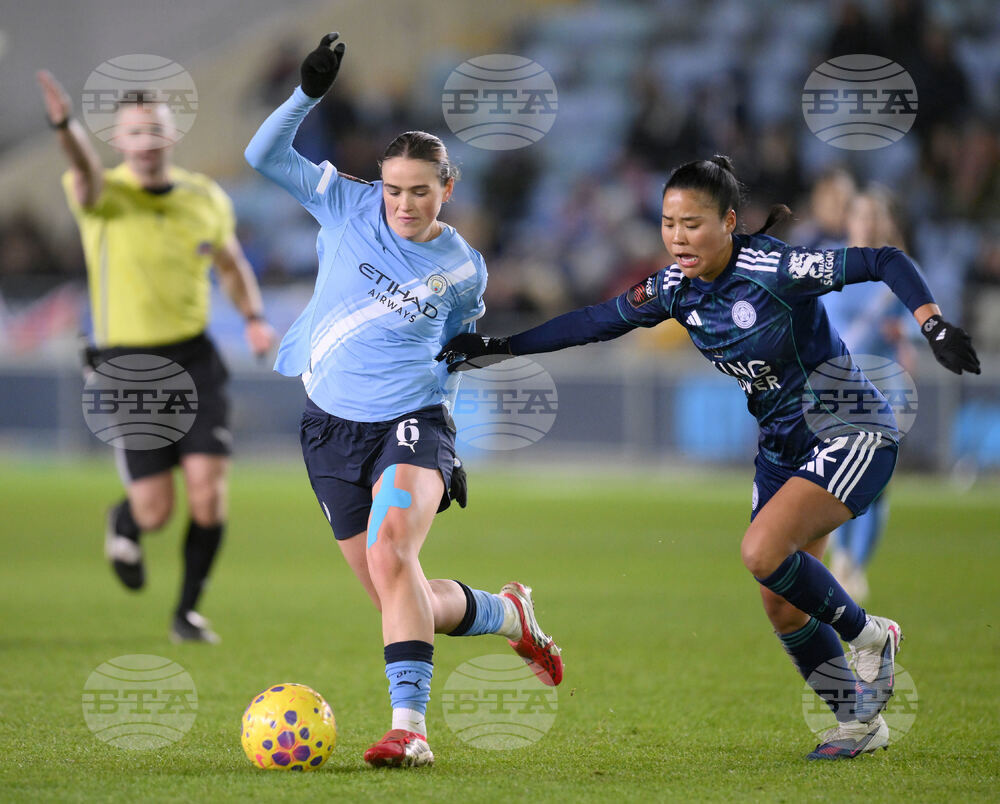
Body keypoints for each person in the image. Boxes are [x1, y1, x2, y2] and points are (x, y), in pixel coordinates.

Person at [439, 156, 980, 760]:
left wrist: (933, 325)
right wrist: (496, 347)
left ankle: (871, 636)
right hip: (783, 449)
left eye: (692, 224)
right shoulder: (674, 288)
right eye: (669, 223)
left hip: (850, 429)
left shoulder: (775, 267)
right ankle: (858, 720)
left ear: (728, 222)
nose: (677, 237)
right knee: (779, 601)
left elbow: (882, 259)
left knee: (761, 552)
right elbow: (595, 321)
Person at [244, 33, 563, 769]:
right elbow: (264, 156)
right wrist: (307, 93)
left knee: (394, 555)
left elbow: (454, 348)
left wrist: (441, 431)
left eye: (420, 190)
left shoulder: (463, 270)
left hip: (410, 424)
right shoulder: (345, 204)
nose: (403, 203)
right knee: (396, 592)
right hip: (327, 425)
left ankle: (409, 730)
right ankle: (508, 613)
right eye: (393, 188)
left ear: (446, 190)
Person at [38, 69, 276, 643]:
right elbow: (82, 168)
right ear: (119, 142)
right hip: (128, 367)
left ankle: (188, 613)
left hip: (195, 358)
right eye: (133, 133)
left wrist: (253, 319)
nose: (145, 142)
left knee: (209, 488)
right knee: (154, 512)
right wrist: (64, 124)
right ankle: (124, 519)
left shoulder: (205, 198)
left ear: (170, 136)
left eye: (154, 131)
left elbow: (231, 265)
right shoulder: (101, 195)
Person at [824, 187, 917, 602]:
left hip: (884, 388)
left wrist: (904, 336)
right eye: (862, 215)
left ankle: (854, 565)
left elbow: (916, 325)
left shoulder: (896, 271)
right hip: (839, 387)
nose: (868, 223)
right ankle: (842, 557)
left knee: (877, 483)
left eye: (875, 217)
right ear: (850, 220)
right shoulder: (828, 264)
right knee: (841, 476)